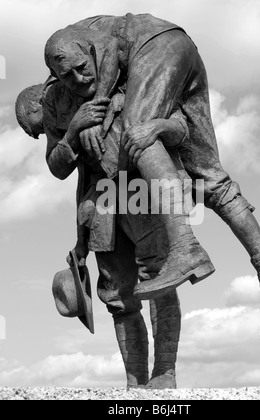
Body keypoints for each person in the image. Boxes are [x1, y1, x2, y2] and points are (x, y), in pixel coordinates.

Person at [44, 13, 260, 340]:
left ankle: (186, 246)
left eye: (81, 67)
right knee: (212, 181)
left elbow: (110, 57)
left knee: (137, 132)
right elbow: (69, 169)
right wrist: (78, 128)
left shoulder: (77, 40)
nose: (78, 79)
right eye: (68, 75)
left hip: (156, 46)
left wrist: (98, 113)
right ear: (55, 77)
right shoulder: (65, 94)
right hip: (182, 51)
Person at [16, 81, 193, 389]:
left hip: (138, 188)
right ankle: (135, 382)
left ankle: (165, 372)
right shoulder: (66, 123)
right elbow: (66, 172)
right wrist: (80, 240)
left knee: (158, 277)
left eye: (42, 128)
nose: (47, 134)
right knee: (116, 296)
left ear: (40, 105)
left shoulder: (106, 91)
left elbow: (171, 125)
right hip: (102, 203)